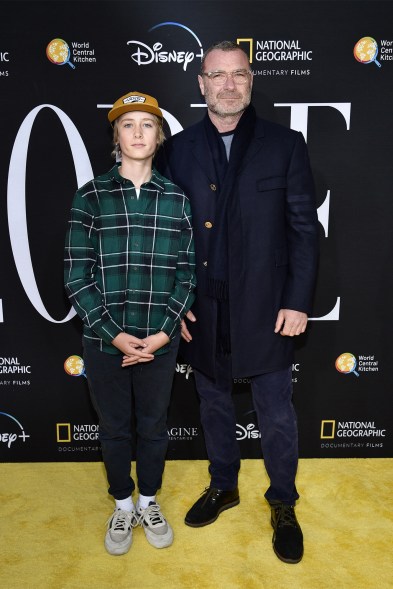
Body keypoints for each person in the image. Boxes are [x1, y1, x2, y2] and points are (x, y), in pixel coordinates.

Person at [155, 41, 319, 564]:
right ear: (201, 85)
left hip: (268, 305)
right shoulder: (177, 150)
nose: (228, 84)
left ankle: (283, 503)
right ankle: (223, 485)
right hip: (204, 305)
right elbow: (168, 238)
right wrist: (175, 305)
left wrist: (297, 300)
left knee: (275, 410)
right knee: (214, 403)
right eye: (217, 75)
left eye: (238, 75)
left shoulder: (284, 144)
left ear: (250, 82)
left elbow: (304, 230)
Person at [64, 91, 196, 556]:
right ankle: (122, 503)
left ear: (159, 137)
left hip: (161, 342)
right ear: (116, 136)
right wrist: (115, 336)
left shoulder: (176, 198)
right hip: (105, 344)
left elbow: (187, 275)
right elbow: (77, 277)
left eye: (146, 124)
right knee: (116, 427)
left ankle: (148, 499)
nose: (137, 133)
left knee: (154, 425)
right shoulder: (91, 197)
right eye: (127, 125)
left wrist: (162, 335)